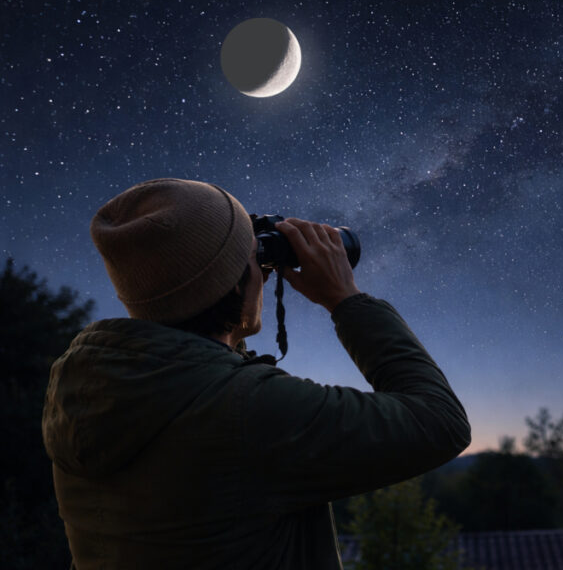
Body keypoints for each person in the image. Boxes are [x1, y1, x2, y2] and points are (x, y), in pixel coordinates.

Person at [41, 178, 471, 569]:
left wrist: (230, 297)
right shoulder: (248, 412)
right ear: (233, 282)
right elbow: (439, 420)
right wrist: (346, 299)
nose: (264, 276)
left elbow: (199, 360)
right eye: (254, 258)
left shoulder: (83, 386)